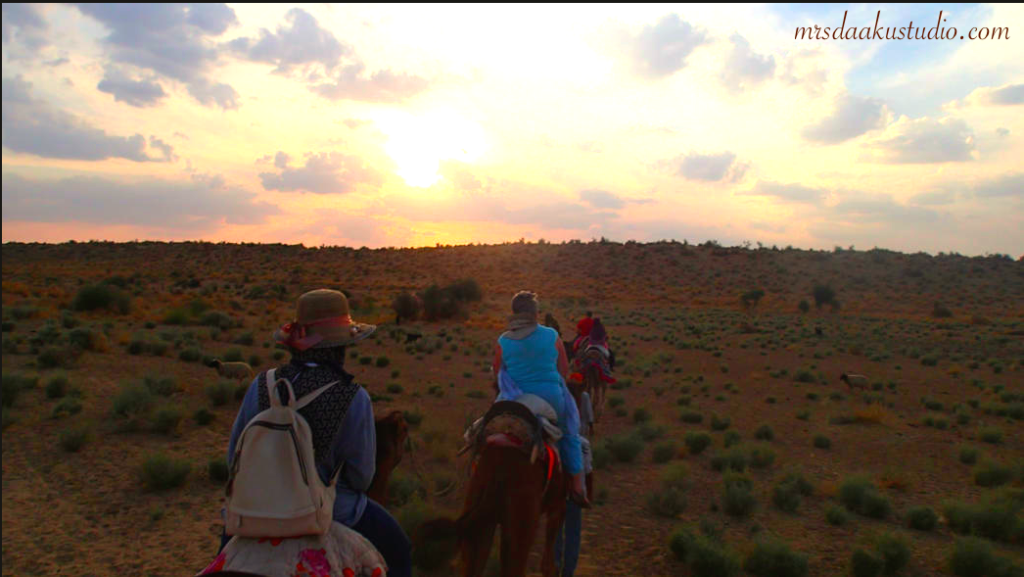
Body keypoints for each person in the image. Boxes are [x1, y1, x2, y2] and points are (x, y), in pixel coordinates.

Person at [223, 289, 411, 577]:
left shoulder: (261, 384)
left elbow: (233, 456)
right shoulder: (352, 396)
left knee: (223, 556)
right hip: (330, 510)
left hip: (254, 509)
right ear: (341, 345)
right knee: (399, 550)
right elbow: (362, 477)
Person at [491, 291, 588, 505]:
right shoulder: (551, 335)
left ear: (514, 313)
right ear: (535, 313)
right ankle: (578, 486)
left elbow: (498, 373)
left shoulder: (503, 341)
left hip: (515, 402)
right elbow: (563, 370)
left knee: (487, 429)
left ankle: (478, 472)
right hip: (551, 398)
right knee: (569, 432)